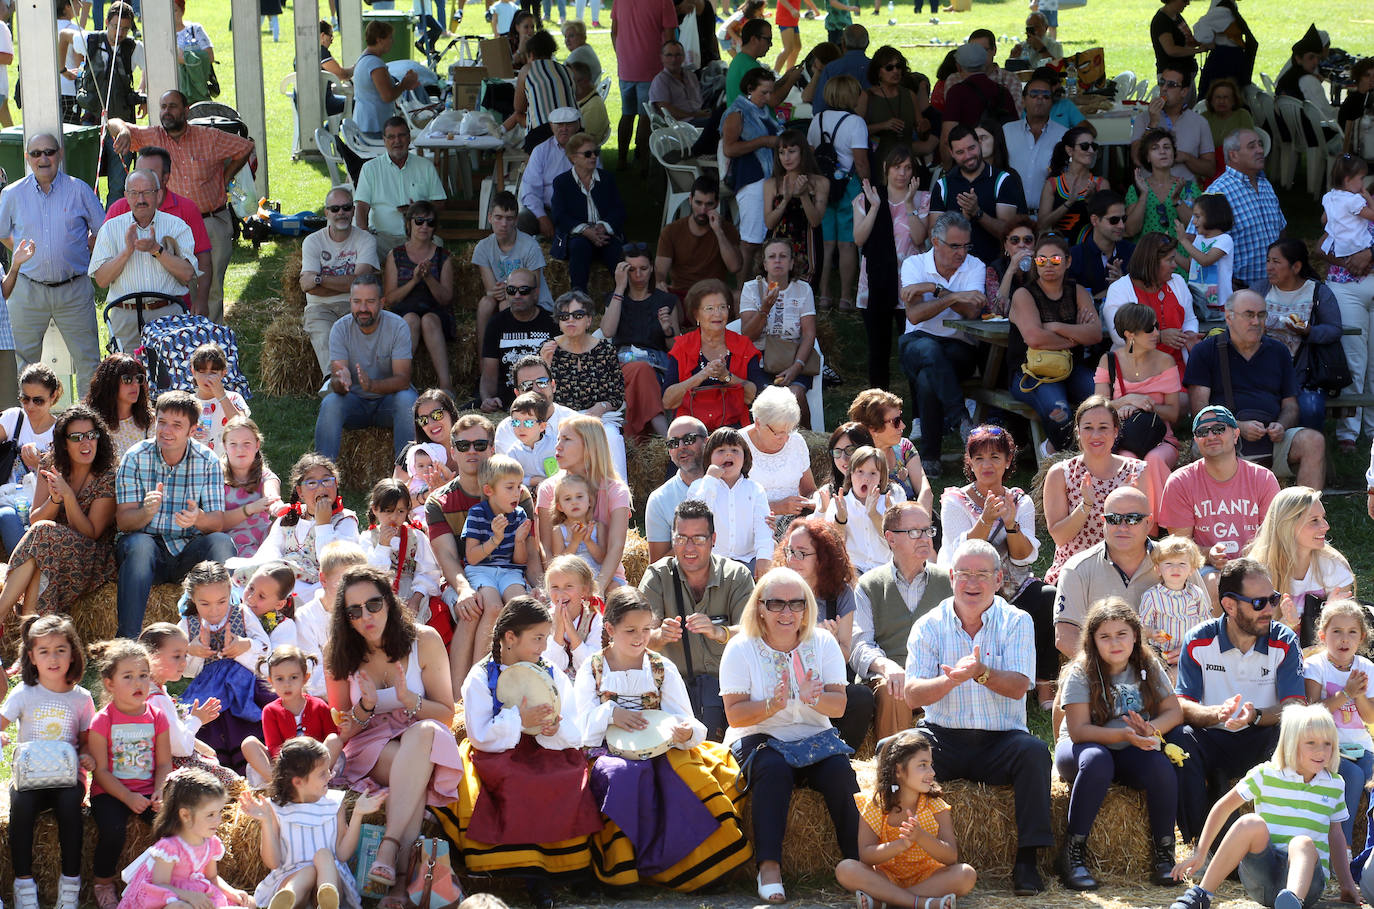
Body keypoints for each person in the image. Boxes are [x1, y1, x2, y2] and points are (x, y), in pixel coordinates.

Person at [904, 539, 1053, 896]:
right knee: (893, 751)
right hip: (942, 737)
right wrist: (950, 680)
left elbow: (1020, 686)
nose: (972, 583)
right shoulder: (928, 624)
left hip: (1001, 741)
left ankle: (1028, 861)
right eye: (965, 574)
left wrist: (981, 673)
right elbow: (912, 695)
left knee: (1035, 753)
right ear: (951, 577)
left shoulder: (1017, 620)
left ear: (998, 579)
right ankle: (899, 855)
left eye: (982, 575)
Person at [443, 597, 600, 907]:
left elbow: (573, 722)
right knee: (518, 780)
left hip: (546, 746)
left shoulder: (550, 671)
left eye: (546, 637)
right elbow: (480, 733)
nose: (544, 646)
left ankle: (574, 868)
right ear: (510, 637)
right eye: (537, 638)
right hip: (500, 749)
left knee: (568, 776)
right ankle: (532, 876)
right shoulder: (481, 676)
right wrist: (518, 720)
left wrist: (555, 728)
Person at [720, 566, 860, 904]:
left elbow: (839, 706)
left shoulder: (823, 643)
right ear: (760, 608)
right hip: (759, 736)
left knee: (839, 771)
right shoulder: (740, 648)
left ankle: (859, 862)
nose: (787, 612)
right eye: (776, 603)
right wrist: (771, 705)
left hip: (814, 736)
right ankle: (769, 867)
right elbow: (734, 715)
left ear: (806, 608)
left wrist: (813, 699)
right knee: (773, 768)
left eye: (796, 603)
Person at [325, 565, 462, 906]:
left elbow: (446, 713)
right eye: (354, 611)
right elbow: (342, 728)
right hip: (371, 744)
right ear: (345, 618)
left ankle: (388, 849)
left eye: (373, 604)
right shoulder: (339, 652)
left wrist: (409, 700)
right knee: (412, 774)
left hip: (421, 735)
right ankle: (400, 882)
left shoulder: (424, 640)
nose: (365, 616)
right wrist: (367, 706)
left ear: (388, 601)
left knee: (423, 737)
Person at [1163, 558, 1306, 846]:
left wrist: (1256, 715)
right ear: (1229, 605)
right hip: (1213, 736)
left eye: (1273, 599)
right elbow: (1183, 704)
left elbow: (1295, 706)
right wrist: (1214, 714)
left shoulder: (1284, 640)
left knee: (1292, 731)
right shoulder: (1199, 639)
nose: (1270, 610)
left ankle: (1283, 838)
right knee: (1179, 738)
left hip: (1263, 737)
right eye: (1259, 603)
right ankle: (1200, 843)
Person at [1169, 703, 1360, 909]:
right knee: (1250, 822)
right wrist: (1200, 853)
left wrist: (1347, 884)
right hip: (1264, 879)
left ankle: (1292, 901)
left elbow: (1335, 834)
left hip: (1308, 885)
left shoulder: (1334, 784)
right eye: (1311, 743)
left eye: (1327, 743)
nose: (1321, 751)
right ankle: (1200, 895)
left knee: (1302, 843)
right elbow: (1223, 807)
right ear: (1291, 743)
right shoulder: (1266, 774)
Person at [1057, 599, 1182, 890]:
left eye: (1121, 634)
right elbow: (1079, 731)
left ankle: (1164, 854)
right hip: (1082, 749)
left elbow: (1174, 712)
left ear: (1135, 635)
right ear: (1093, 640)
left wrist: (1151, 729)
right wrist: (1125, 735)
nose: (1115, 643)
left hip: (1128, 747)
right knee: (1097, 760)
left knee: (1159, 765)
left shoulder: (1148, 665)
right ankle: (1072, 855)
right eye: (1105, 636)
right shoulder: (1081, 671)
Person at [108, 90, 254, 324]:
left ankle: (210, 336)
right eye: (163, 107)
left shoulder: (209, 137)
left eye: (173, 106)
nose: (167, 112)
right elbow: (113, 122)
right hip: (172, 222)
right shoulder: (153, 136)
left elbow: (245, 147)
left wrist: (225, 177)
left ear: (186, 111)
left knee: (212, 287)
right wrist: (124, 131)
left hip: (210, 220)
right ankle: (180, 334)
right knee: (176, 286)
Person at [939, 425, 1057, 708]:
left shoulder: (1020, 500)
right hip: (967, 584)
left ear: (1007, 461)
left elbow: (1023, 557)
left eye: (994, 457)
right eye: (979, 458)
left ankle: (1044, 684)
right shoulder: (954, 500)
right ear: (970, 463)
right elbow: (962, 553)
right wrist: (986, 519)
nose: (987, 465)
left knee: (1047, 596)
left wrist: (1011, 523)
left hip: (1011, 584)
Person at [113, 391, 235, 638]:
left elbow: (217, 522)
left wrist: (199, 518)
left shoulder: (208, 461)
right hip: (148, 552)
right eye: (162, 422)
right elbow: (123, 521)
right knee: (140, 545)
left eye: (177, 425)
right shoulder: (135, 457)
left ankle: (225, 630)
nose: (166, 431)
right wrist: (145, 512)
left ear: (192, 430)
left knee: (222, 543)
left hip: (189, 553)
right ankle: (128, 640)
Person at [1184, 290, 1326, 489]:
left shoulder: (1279, 351)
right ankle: (1220, 502)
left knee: (1314, 441)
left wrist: (1281, 426)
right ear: (1229, 317)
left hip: (1272, 439)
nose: (1256, 322)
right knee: (1208, 442)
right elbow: (1200, 410)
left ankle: (1305, 508)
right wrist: (1237, 427)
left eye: (1261, 315)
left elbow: (1291, 406)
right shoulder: (1206, 351)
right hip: (1223, 436)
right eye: (1249, 315)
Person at [640, 498, 754, 740]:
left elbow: (753, 633)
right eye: (681, 538)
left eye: (698, 539)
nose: (688, 548)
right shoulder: (657, 576)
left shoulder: (737, 576)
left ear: (713, 540)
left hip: (730, 691)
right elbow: (636, 638)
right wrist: (660, 636)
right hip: (675, 693)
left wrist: (719, 632)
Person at [0, 133, 105, 396]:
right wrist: (23, 256)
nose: (43, 158)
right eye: (36, 153)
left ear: (59, 154)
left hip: (74, 289)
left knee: (89, 362)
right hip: (28, 289)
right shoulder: (12, 193)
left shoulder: (79, 190)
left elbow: (102, 231)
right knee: (23, 363)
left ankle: (88, 419)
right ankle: (26, 416)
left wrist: (79, 250)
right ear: (27, 157)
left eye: (49, 152)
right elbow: (2, 232)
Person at [1, 615, 93, 909]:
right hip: (30, 776)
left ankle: (70, 885)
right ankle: (23, 884)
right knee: (21, 805)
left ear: (73, 653)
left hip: (69, 778)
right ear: (32, 657)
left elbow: (86, 740)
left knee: (70, 807)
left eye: (60, 650)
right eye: (44, 651)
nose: (53, 658)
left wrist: (87, 755)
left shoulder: (82, 698)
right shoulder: (23, 693)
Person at [1053, 484, 1206, 656]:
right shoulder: (1077, 568)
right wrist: (1109, 667)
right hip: (1104, 665)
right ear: (1103, 521)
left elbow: (1208, 623)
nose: (1123, 527)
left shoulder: (1176, 561)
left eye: (1133, 519)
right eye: (1114, 519)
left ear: (1148, 522)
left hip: (1171, 662)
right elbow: (1065, 636)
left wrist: (1189, 653)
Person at [836, 730, 977, 909]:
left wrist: (920, 836)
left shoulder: (936, 806)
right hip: (885, 878)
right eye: (923, 765)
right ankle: (919, 903)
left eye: (931, 764)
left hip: (928, 878)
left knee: (966, 874)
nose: (932, 772)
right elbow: (866, 857)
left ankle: (888, 901)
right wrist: (901, 844)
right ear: (898, 770)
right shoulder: (875, 804)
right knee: (846, 869)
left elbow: (951, 857)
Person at [849, 501, 951, 742]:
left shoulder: (949, 581)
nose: (925, 538)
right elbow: (859, 644)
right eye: (915, 532)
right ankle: (894, 762)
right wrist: (888, 667)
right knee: (894, 687)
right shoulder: (869, 585)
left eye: (928, 530)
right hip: (889, 681)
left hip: (936, 677)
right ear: (891, 538)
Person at [237, 738, 376, 909]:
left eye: (328, 770)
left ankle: (327, 899)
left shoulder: (335, 803)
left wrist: (358, 814)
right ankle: (287, 899)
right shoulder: (275, 809)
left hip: (331, 879)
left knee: (324, 856)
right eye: (322, 773)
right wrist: (266, 822)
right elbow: (273, 863)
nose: (330, 775)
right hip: (291, 878)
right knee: (307, 872)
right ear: (298, 782)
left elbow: (342, 854)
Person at [898, 213, 987, 478]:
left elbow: (971, 312)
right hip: (917, 341)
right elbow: (915, 315)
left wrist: (934, 291)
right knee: (928, 350)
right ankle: (961, 420)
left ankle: (930, 457)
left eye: (966, 245)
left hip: (958, 346)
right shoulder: (914, 264)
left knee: (928, 376)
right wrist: (953, 296)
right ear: (936, 242)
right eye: (955, 246)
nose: (962, 253)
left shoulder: (975, 265)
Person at [86, 639, 172, 909]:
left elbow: (164, 763)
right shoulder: (103, 720)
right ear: (109, 684)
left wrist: (160, 791)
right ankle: (103, 883)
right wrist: (127, 797)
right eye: (128, 676)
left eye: (144, 675)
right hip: (110, 792)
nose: (138, 683)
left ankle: (164, 882)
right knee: (113, 832)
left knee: (172, 830)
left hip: (148, 790)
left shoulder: (157, 716)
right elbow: (100, 771)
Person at [777, 516, 875, 748]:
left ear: (823, 558)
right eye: (790, 551)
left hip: (825, 683)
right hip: (782, 680)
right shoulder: (775, 589)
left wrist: (828, 643)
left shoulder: (841, 593)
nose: (793, 559)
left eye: (802, 553)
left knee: (861, 698)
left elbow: (846, 653)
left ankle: (837, 753)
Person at [1007, 233, 1102, 454]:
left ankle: (1093, 456)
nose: (1048, 265)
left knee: (1101, 402)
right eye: (1041, 260)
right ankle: (1052, 452)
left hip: (1071, 368)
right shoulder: (1024, 294)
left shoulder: (1077, 291)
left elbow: (1095, 334)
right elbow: (1034, 338)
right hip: (1031, 371)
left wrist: (1056, 326)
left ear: (1068, 261)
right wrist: (1075, 337)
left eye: (1055, 259)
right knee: (1059, 413)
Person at [1042, 396, 1148, 585]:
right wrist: (1086, 505)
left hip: (1124, 570)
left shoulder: (1137, 471)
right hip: (1075, 571)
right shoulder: (1060, 473)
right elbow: (1059, 537)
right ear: (1078, 432)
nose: (1096, 435)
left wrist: (1122, 504)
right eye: (1088, 428)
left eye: (1103, 427)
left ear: (1115, 431)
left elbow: (1146, 530)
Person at [88, 169, 196, 352]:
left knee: (169, 369)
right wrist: (126, 252)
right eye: (134, 193)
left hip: (168, 315)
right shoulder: (111, 228)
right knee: (127, 370)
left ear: (158, 195)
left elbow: (188, 274)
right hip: (126, 317)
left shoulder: (176, 226)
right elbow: (102, 281)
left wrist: (156, 250)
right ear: (126, 196)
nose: (141, 199)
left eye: (147, 192)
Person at [312, 274, 418, 461]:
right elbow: (336, 382)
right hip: (354, 404)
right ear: (350, 302)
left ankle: (407, 469)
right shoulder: (340, 329)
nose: (363, 308)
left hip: (388, 404)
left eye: (370, 301)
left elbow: (403, 380)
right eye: (357, 302)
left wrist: (372, 386)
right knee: (331, 403)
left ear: (382, 303)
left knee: (407, 400)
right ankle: (322, 471)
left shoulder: (398, 326)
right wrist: (340, 382)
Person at [1094, 304, 1184, 517]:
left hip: (1161, 438)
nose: (1157, 333)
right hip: (1126, 438)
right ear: (1129, 334)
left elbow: (1174, 413)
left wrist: (1143, 406)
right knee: (1128, 461)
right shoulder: (1109, 361)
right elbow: (1096, 407)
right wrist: (1127, 400)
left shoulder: (1165, 361)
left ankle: (1163, 521)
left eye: (1157, 326)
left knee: (1154, 460)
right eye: (1150, 329)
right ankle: (1135, 520)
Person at [1249, 238, 1345, 431]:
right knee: (1253, 407)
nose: (1269, 267)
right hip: (1262, 374)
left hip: (1305, 376)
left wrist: (1309, 331)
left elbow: (1334, 329)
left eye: (1276, 262)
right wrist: (1255, 330)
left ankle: (1307, 445)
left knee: (1310, 408)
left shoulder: (1317, 292)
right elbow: (1240, 322)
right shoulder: (1260, 290)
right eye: (1268, 261)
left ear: (1296, 266)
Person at [105, 147, 212, 317]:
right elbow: (103, 266)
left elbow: (203, 258)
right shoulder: (118, 209)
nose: (142, 177)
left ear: (165, 178)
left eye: (150, 173)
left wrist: (201, 300)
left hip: (174, 307)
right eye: (138, 171)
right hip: (128, 310)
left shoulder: (186, 209)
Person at [1303, 600, 1374, 848]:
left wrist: (1358, 695)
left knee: (1370, 773)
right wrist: (1346, 693)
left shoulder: (1366, 667)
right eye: (1337, 631)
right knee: (1353, 776)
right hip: (1327, 745)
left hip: (1360, 746)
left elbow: (1370, 717)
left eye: (1352, 632)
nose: (1344, 639)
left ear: (1362, 637)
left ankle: (1367, 847)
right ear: (1323, 635)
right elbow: (1312, 712)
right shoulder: (1315, 666)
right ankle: (1342, 849)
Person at [534, 415, 630, 593]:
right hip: (563, 579)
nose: (558, 446)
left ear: (589, 446)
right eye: (558, 439)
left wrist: (598, 590)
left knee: (618, 595)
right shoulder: (548, 489)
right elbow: (545, 548)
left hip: (607, 577)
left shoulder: (616, 491)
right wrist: (556, 585)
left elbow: (616, 547)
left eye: (566, 439)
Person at [1248, 486, 1355, 645]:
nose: (1326, 526)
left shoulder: (1333, 565)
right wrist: (1287, 624)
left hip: (1322, 655)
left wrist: (1330, 612)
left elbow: (1345, 639)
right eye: (1314, 520)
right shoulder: (1257, 572)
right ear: (1287, 526)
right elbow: (1249, 639)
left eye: (1323, 518)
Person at [663, 279, 765, 432]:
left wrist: (727, 377)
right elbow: (668, 401)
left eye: (722, 307)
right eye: (709, 308)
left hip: (734, 430)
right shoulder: (682, 346)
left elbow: (756, 398)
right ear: (696, 314)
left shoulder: (743, 345)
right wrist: (702, 375)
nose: (717, 313)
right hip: (691, 432)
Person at [299, 186, 379, 378]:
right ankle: (334, 380)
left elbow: (360, 282)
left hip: (356, 304)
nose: (341, 212)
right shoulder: (312, 241)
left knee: (360, 338)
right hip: (319, 308)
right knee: (324, 334)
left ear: (353, 210)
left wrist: (320, 280)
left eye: (346, 207)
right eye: (335, 209)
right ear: (326, 212)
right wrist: (348, 284)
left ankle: (360, 380)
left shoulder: (366, 239)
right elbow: (306, 286)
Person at [381, 202, 456, 399]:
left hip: (436, 312)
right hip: (404, 311)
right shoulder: (396, 255)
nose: (424, 226)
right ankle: (400, 380)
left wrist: (428, 278)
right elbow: (390, 298)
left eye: (430, 222)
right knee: (411, 320)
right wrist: (414, 280)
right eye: (419, 221)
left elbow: (446, 299)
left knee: (429, 320)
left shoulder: (443, 257)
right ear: (409, 224)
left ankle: (446, 386)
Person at [601, 249, 679, 435]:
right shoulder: (615, 298)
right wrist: (620, 288)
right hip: (621, 364)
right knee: (640, 369)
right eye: (631, 269)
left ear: (652, 268)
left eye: (643, 268)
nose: (637, 275)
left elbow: (676, 348)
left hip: (657, 364)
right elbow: (607, 331)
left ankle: (632, 439)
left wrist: (667, 331)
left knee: (643, 371)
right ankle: (664, 434)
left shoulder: (666, 300)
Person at [808, 76, 870, 310]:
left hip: (821, 185)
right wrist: (868, 186)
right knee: (847, 244)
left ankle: (823, 294)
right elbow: (861, 162)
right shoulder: (856, 123)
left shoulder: (817, 119)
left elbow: (811, 154)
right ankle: (845, 297)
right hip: (848, 186)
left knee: (825, 244)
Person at [739, 242, 818, 418]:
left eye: (783, 256)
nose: (777, 261)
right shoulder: (751, 288)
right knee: (768, 399)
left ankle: (808, 434)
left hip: (792, 357)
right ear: (765, 264)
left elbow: (809, 334)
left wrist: (796, 367)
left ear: (791, 263)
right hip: (759, 360)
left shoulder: (803, 289)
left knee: (795, 395)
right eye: (772, 256)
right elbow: (748, 336)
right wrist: (764, 309)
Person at [927, 126, 1024, 267]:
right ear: (951, 153)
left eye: (971, 148)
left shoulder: (1003, 180)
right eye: (960, 152)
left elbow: (1009, 233)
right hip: (954, 270)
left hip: (993, 268)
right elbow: (933, 235)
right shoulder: (943, 185)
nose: (968, 156)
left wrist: (978, 213)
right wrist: (963, 219)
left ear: (979, 143)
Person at [1103, 232, 1200, 373]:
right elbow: (1118, 336)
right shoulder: (1119, 289)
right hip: (1137, 371)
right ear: (1152, 262)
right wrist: (1160, 336)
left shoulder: (1178, 282)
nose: (1175, 265)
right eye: (1170, 260)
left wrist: (1189, 334)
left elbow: (1189, 319)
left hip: (1177, 366)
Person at [473, 191, 554, 359]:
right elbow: (491, 290)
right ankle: (484, 363)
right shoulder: (483, 247)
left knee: (506, 305)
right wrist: (499, 292)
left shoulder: (530, 246)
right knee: (485, 303)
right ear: (490, 218)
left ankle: (513, 361)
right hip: (507, 297)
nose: (504, 224)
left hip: (534, 303)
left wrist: (506, 292)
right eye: (498, 217)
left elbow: (533, 291)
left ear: (516, 220)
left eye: (509, 218)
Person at [542, 291, 627, 448]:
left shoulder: (605, 350)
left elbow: (617, 394)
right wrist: (545, 364)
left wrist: (602, 407)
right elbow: (538, 395)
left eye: (578, 315)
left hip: (599, 418)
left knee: (612, 438)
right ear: (559, 322)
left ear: (589, 320)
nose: (570, 320)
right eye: (564, 316)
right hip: (560, 420)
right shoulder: (548, 349)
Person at [723, 68, 784, 280]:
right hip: (751, 181)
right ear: (750, 89)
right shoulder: (736, 113)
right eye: (764, 92)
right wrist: (763, 142)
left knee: (761, 240)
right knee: (750, 241)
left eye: (770, 92)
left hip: (766, 180)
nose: (769, 97)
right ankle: (742, 290)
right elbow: (729, 149)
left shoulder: (762, 110)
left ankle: (756, 286)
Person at [353, 117, 446, 258]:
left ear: (409, 138)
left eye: (401, 135)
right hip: (382, 238)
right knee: (366, 247)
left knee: (437, 245)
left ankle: (408, 264)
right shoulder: (370, 169)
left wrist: (419, 210)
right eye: (391, 137)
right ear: (384, 140)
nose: (397, 141)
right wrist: (363, 234)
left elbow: (440, 202)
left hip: (418, 236)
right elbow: (361, 206)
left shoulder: (425, 166)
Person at [1206, 129, 1285, 287]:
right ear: (1234, 155)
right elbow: (1197, 240)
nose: (1260, 150)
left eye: (1260, 145)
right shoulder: (1218, 192)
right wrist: (1225, 281)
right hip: (1241, 290)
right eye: (1252, 146)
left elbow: (1281, 229)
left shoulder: (1265, 185)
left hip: (1275, 285)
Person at [551, 132, 625, 292]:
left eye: (596, 153)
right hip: (577, 234)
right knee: (579, 247)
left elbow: (618, 209)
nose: (593, 157)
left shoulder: (607, 179)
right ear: (573, 158)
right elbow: (559, 216)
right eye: (587, 154)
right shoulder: (562, 182)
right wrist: (585, 230)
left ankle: (625, 295)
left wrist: (603, 227)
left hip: (603, 232)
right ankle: (578, 297)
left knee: (615, 250)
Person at [0, 364, 60, 555]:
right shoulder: (14, 417)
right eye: (25, 399)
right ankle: (26, 567)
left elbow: (66, 477)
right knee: (7, 516)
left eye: (38, 400)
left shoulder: (60, 430)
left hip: (44, 504)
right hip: (9, 498)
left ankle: (25, 569)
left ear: (53, 396)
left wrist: (39, 464)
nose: (30, 406)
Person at [610, 0, 677, 168]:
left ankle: (622, 159)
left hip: (626, 67)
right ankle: (644, 165)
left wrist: (622, 56)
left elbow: (614, 32)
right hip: (651, 66)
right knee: (646, 117)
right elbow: (670, 39)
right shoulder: (664, 2)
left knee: (627, 114)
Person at [479, 271, 558, 412]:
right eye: (511, 290)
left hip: (544, 400)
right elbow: (489, 375)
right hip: (507, 403)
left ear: (536, 293)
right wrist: (487, 399)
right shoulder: (496, 324)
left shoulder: (553, 323)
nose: (517, 295)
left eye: (524, 290)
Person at [656, 176, 743, 303]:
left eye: (709, 204)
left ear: (717, 203)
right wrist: (659, 283)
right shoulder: (671, 231)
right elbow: (660, 271)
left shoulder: (726, 229)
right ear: (690, 200)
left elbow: (735, 267)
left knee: (739, 297)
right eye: (698, 203)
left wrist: (719, 232)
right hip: (681, 293)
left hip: (714, 295)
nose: (703, 210)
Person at [1130, 68, 1217, 183]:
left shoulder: (1200, 122)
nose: (1164, 88)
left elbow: (1210, 170)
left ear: (1184, 92)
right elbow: (1137, 159)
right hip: (1150, 191)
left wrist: (1186, 158)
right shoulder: (1143, 118)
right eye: (1162, 83)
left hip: (1185, 190)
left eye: (1171, 85)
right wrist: (1152, 124)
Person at [765, 131, 828, 290]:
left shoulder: (820, 182)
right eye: (781, 152)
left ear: (803, 152)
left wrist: (803, 195)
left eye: (792, 151)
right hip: (777, 246)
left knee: (804, 295)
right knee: (774, 295)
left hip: (808, 247)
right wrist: (785, 200)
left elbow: (815, 221)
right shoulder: (771, 184)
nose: (786, 158)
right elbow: (769, 223)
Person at [1138, 535, 1211, 668]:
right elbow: (1142, 626)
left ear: (1192, 570)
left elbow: (1205, 624)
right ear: (1158, 569)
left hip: (1191, 650)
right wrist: (1152, 633)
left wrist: (1195, 647)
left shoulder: (1196, 594)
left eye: (1182, 564)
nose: (1175, 568)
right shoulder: (1152, 596)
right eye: (1168, 564)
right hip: (1161, 652)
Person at [855, 47, 920, 189]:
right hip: (879, 165)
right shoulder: (867, 96)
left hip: (907, 168)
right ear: (878, 72)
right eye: (889, 68)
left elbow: (920, 126)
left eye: (899, 66)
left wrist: (925, 125)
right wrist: (883, 126)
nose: (895, 71)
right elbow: (855, 132)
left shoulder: (909, 95)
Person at [1003, 75, 1067, 217]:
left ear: (1052, 102)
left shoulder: (1063, 135)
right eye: (1034, 94)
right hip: (1011, 217)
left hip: (1049, 218)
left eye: (1046, 96)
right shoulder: (1007, 131)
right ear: (1023, 100)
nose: (1040, 99)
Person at [645, 419, 708, 562]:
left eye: (689, 439)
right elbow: (658, 565)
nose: (681, 447)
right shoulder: (659, 499)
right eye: (673, 443)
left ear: (707, 442)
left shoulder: (730, 484)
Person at [1124, 129, 1200, 245]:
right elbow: (1131, 230)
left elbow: (1197, 227)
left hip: (1181, 255)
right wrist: (1143, 195)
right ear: (1147, 157)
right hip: (1147, 254)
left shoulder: (1189, 187)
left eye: (1167, 147)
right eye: (1155, 148)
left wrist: (1177, 201)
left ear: (1173, 154)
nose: (1162, 151)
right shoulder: (1136, 189)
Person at [504, 30, 576, 151]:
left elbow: (518, 108)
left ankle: (496, 134)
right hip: (574, 131)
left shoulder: (527, 70)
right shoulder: (566, 70)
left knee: (518, 115)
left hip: (542, 133)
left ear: (531, 54)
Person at [518, 107, 580, 239]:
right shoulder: (541, 151)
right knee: (523, 219)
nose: (564, 129)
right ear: (551, 126)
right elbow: (530, 189)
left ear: (577, 125)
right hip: (548, 210)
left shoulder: (587, 150)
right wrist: (541, 217)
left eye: (569, 124)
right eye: (559, 125)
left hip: (578, 211)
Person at [350, 20, 419, 137]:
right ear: (379, 40)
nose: (392, 41)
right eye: (390, 38)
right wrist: (404, 84)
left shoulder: (364, 58)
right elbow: (387, 96)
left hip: (365, 123)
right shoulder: (375, 64)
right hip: (373, 126)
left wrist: (404, 84)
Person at [1039, 126, 1106, 245]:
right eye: (1085, 146)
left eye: (1094, 146)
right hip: (1059, 250)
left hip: (1089, 250)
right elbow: (1042, 225)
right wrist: (1069, 203)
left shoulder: (1101, 184)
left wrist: (1091, 201)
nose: (1091, 151)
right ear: (1070, 150)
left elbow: (1107, 224)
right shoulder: (1053, 184)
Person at [1068, 191, 1135, 303]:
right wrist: (1113, 290)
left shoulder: (1134, 252)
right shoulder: (1074, 256)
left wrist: (1124, 284)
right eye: (1114, 220)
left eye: (1123, 219)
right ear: (1094, 220)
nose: (1121, 225)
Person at [85, 353, 152, 460]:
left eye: (139, 379)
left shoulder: (150, 421)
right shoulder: (90, 422)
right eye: (127, 379)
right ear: (110, 383)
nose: (135, 384)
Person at [1177, 192, 1236, 314]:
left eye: (1197, 217)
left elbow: (1205, 260)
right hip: (1198, 301)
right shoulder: (1199, 239)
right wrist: (1171, 251)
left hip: (1220, 304)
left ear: (1213, 216)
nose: (1193, 222)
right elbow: (1190, 266)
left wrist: (1183, 240)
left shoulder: (1224, 239)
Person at [725, 19, 802, 107]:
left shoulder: (740, 59)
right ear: (754, 39)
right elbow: (772, 100)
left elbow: (767, 89)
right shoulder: (751, 67)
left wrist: (785, 79)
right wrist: (791, 81)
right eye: (768, 40)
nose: (771, 44)